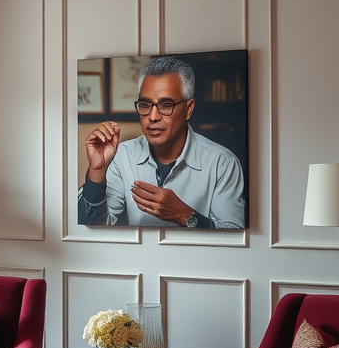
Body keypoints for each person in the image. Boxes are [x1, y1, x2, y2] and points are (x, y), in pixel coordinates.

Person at [78, 55, 245, 228]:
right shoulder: (123, 155)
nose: (152, 117)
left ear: (188, 109)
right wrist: (96, 171)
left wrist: (184, 214)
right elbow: (92, 226)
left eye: (166, 105)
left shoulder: (223, 163)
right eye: (145, 104)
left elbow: (234, 234)